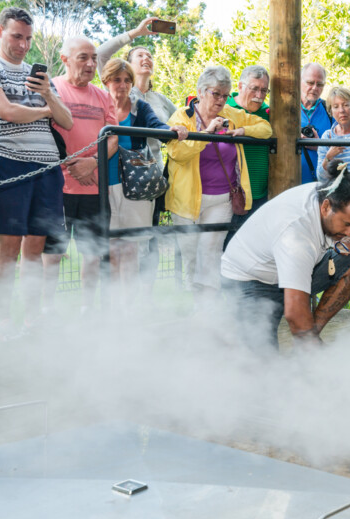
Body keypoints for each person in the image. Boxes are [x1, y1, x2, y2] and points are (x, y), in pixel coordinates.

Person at [0, 6, 73, 338]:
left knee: (35, 246)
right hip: (7, 163)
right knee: (9, 246)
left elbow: (67, 121)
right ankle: (2, 320)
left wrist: (45, 94)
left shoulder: (38, 75)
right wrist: (47, 110)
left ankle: (31, 319)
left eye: (28, 38)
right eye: (17, 36)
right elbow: (6, 111)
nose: (24, 45)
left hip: (46, 168)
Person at [221, 167, 350, 347]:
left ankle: (306, 342)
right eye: (347, 224)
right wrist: (320, 357)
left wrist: (340, 241)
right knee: (262, 368)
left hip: (285, 271)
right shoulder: (296, 234)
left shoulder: (329, 193)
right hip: (248, 281)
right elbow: (295, 314)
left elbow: (324, 235)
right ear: (326, 207)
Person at [165, 65, 272, 309]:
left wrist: (243, 130)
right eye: (216, 94)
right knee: (192, 255)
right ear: (201, 92)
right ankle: (196, 305)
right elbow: (177, 153)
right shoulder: (182, 117)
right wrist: (206, 135)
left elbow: (266, 128)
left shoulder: (232, 114)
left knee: (211, 254)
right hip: (187, 201)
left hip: (222, 198)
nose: (221, 100)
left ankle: (208, 310)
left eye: (225, 95)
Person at [97, 17, 181, 293]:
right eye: (116, 80)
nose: (121, 85)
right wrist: (134, 33)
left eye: (126, 81)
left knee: (134, 246)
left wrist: (173, 129)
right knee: (111, 246)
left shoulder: (142, 106)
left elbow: (158, 126)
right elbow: (99, 54)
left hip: (137, 184)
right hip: (103, 184)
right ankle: (112, 305)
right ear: (106, 80)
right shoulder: (98, 104)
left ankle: (131, 305)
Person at [43, 36, 119, 316]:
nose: (90, 64)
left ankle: (88, 308)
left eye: (93, 58)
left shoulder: (103, 96)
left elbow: (113, 138)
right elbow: (44, 133)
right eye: (82, 58)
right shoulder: (51, 90)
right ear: (64, 60)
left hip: (94, 192)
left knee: (92, 253)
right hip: (57, 189)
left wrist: (92, 163)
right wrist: (71, 166)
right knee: (52, 253)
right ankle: (46, 310)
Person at [226, 65, 272, 221]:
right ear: (240, 86)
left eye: (264, 90)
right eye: (254, 88)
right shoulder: (225, 107)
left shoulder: (270, 112)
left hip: (261, 193)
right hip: (229, 194)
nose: (259, 95)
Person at [316, 86, 350, 184]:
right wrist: (328, 157)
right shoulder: (327, 137)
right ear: (330, 112)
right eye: (336, 107)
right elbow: (321, 178)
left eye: (345, 105)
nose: (341, 110)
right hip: (338, 193)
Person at [299, 62, 333, 183]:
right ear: (299, 81)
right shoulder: (285, 110)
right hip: (288, 185)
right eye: (310, 83)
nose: (314, 88)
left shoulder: (330, 110)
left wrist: (319, 146)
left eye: (320, 84)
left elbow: (343, 148)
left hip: (322, 185)